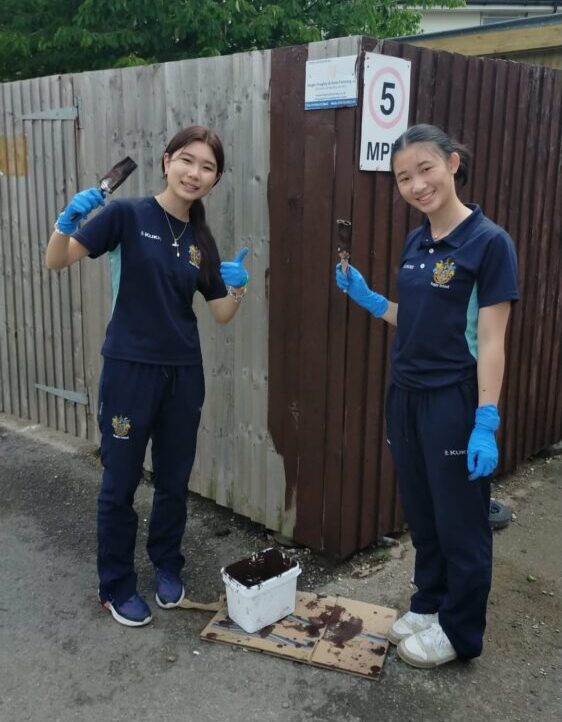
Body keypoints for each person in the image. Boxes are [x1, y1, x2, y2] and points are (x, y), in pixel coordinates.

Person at [45, 126, 250, 627]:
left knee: (175, 480)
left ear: (215, 178)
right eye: (186, 160)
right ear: (166, 162)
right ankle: (114, 585)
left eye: (207, 167)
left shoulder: (200, 238)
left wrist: (239, 288)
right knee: (120, 482)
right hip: (129, 370)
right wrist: (65, 222)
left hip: (183, 373)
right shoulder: (127, 214)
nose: (194, 172)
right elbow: (57, 260)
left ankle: (166, 564)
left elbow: (220, 313)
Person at [336, 124, 519, 668]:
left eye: (425, 169)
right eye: (403, 177)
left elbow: (490, 340)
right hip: (407, 396)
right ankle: (430, 603)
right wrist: (372, 300)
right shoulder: (417, 241)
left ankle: (461, 632)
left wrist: (486, 417)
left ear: (453, 164)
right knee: (422, 510)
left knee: (461, 520)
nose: (416, 184)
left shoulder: (489, 243)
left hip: (453, 400)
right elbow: (411, 319)